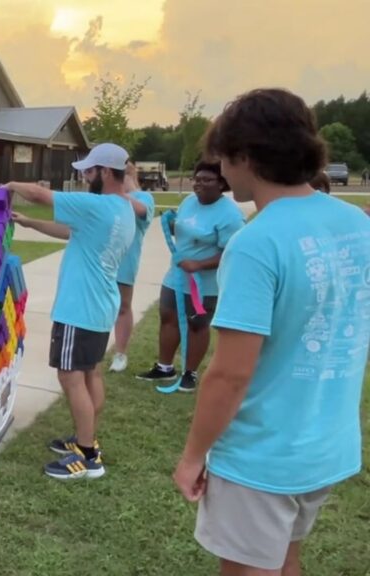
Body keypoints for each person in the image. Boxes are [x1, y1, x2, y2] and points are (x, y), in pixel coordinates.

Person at [173, 88, 370, 576]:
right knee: (285, 559)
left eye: (223, 156)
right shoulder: (355, 223)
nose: (219, 168)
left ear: (246, 156)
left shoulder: (255, 243)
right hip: (325, 443)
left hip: (262, 456)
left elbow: (230, 374)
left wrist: (193, 455)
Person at [6, 143, 140, 481]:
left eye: (89, 172)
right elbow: (71, 232)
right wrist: (31, 224)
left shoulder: (98, 205)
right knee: (90, 372)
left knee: (70, 376)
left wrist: (9, 186)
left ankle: (87, 455)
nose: (83, 178)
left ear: (105, 173)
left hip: (79, 307)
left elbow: (39, 194)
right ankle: (86, 437)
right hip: (99, 305)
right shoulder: (123, 209)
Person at [136, 162, 245, 392]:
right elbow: (187, 230)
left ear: (222, 184)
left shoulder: (230, 215)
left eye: (207, 180)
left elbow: (232, 252)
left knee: (197, 324)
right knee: (168, 317)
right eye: (197, 179)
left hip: (205, 284)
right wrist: (171, 225)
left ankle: (190, 373)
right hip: (176, 276)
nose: (199, 184)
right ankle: (165, 367)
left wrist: (199, 264)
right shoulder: (188, 202)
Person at [108, 162, 155, 372]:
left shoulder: (143, 198)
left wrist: (120, 194)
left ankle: (120, 353)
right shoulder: (109, 198)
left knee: (122, 307)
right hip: (104, 259)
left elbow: (142, 211)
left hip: (126, 261)